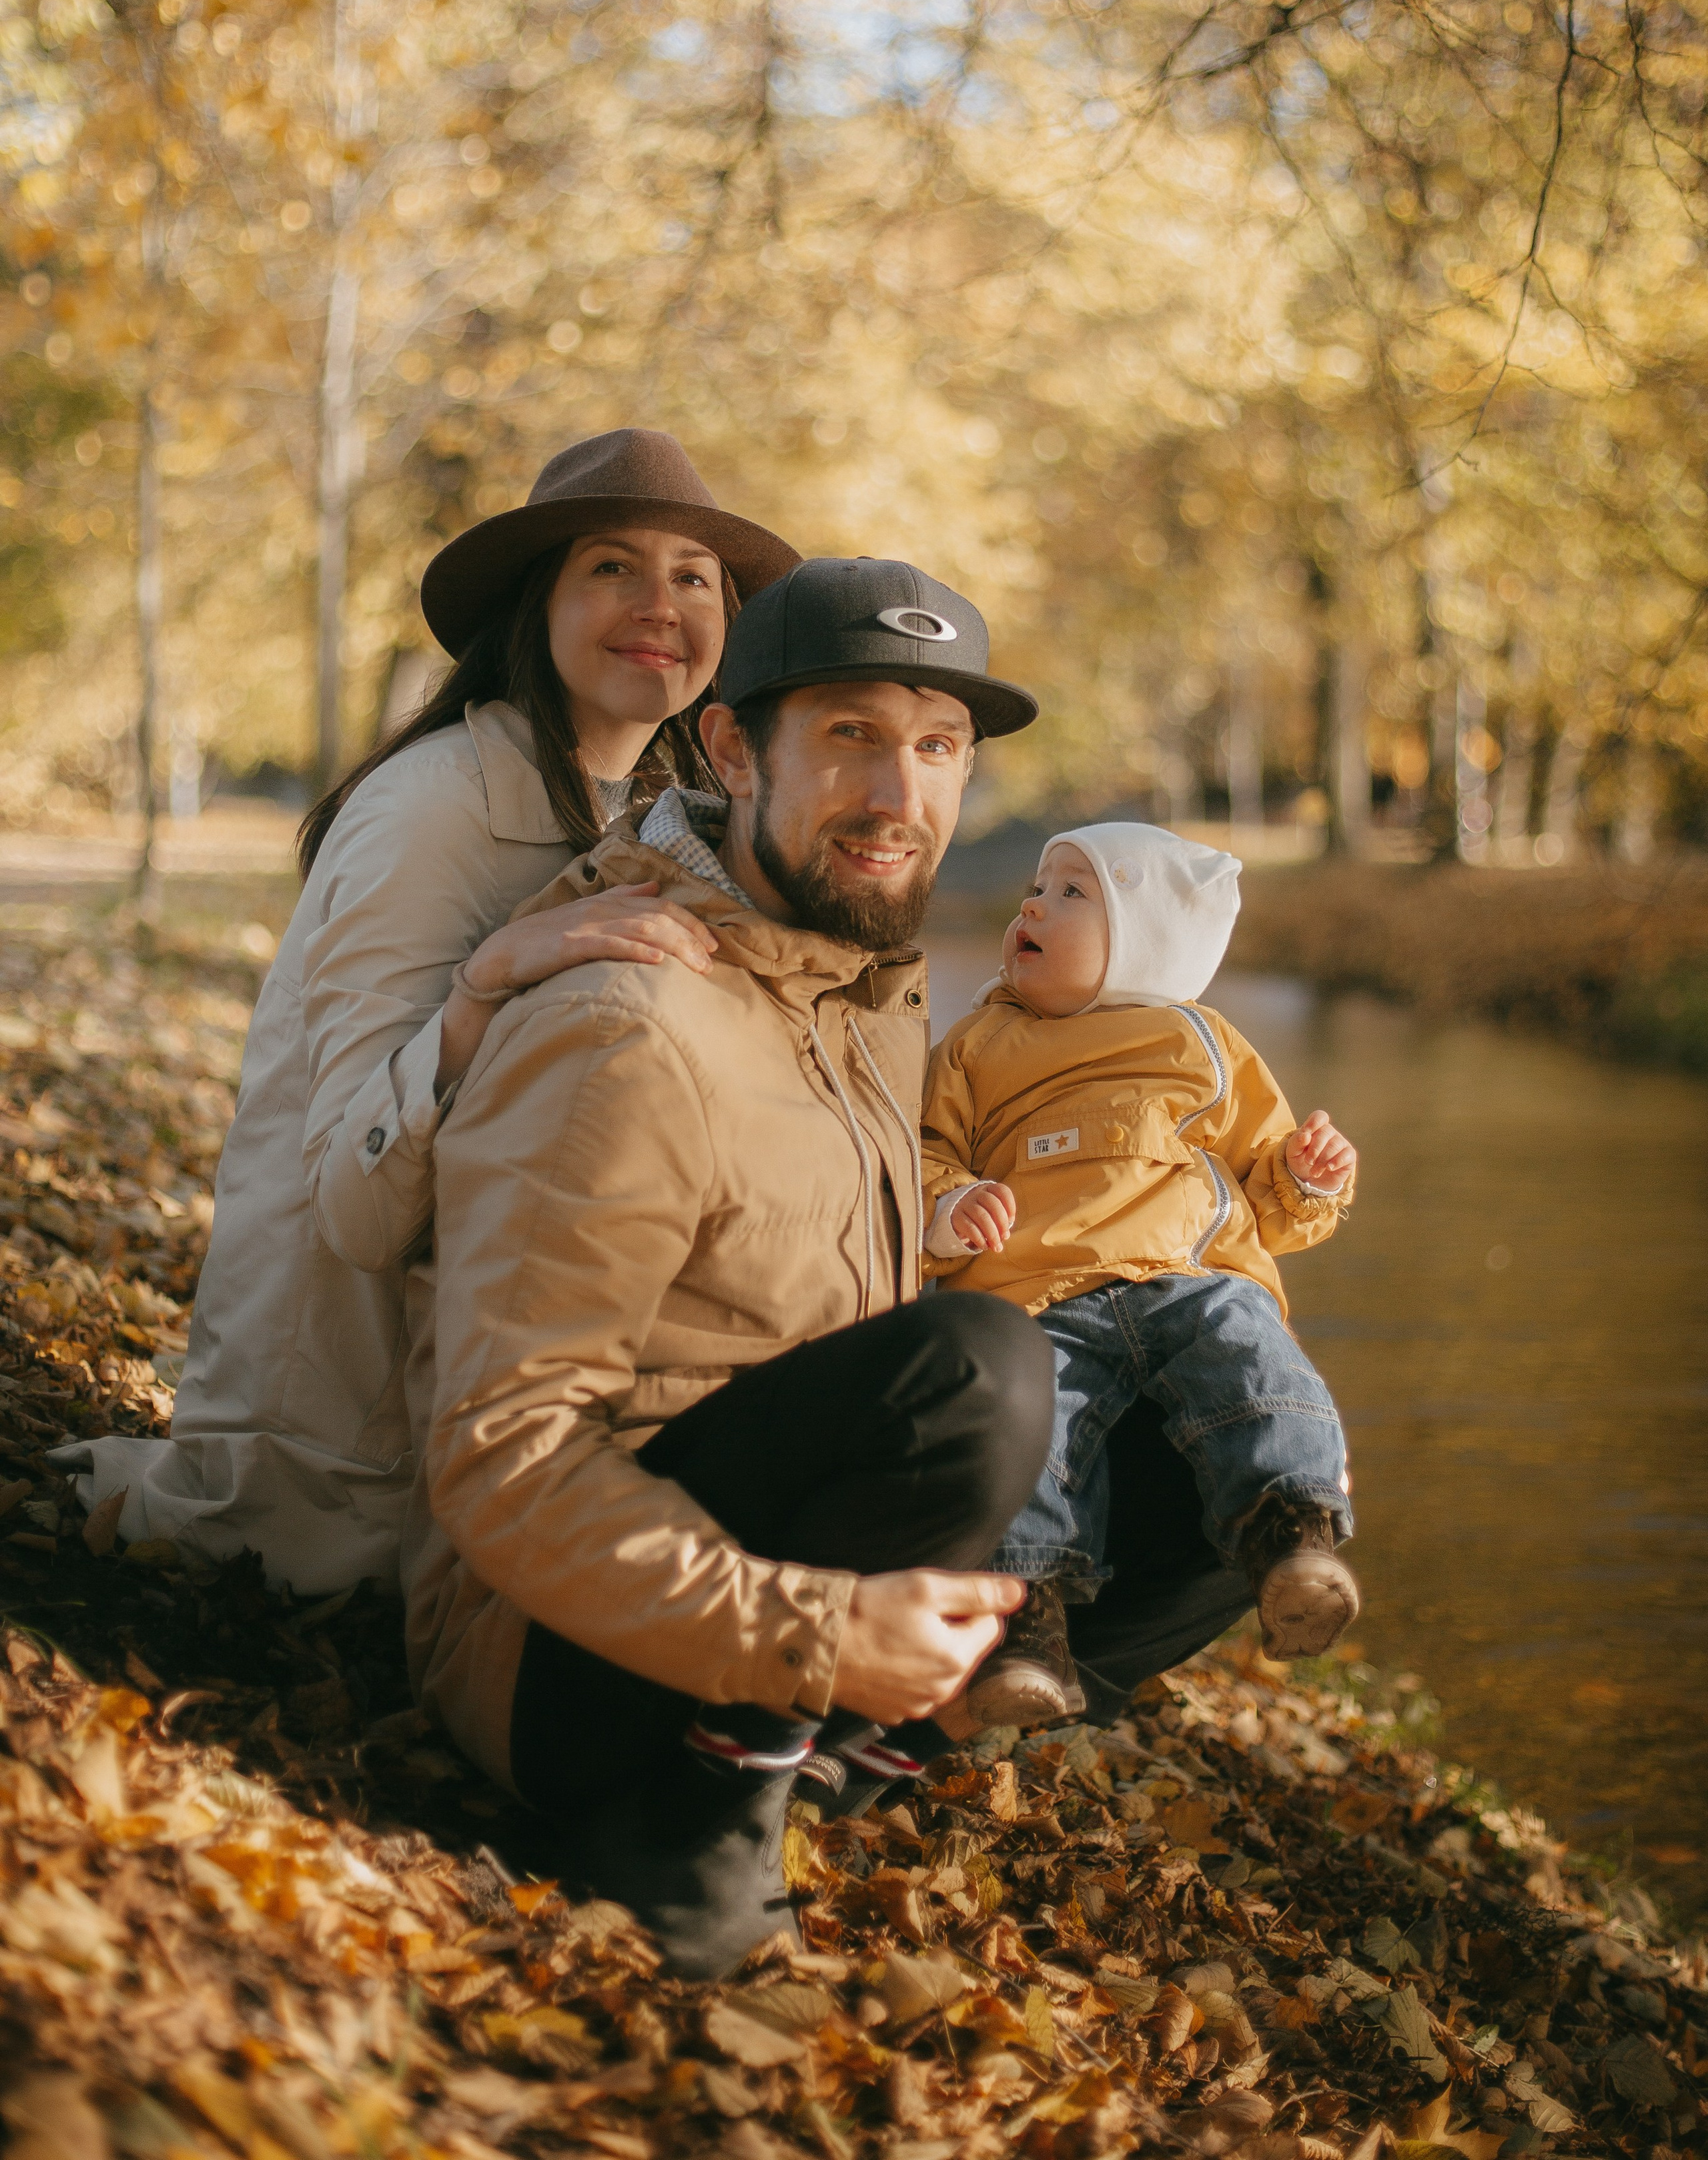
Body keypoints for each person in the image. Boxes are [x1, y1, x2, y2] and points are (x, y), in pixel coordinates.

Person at [406, 556, 1055, 1976]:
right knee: (979, 1372)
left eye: (936, 748)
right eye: (848, 736)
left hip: (722, 1607)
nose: (900, 796)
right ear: (725, 743)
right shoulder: (630, 1026)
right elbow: (499, 1459)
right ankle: (688, 1828)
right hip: (549, 1660)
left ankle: (823, 1765)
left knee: (1188, 1417)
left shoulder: (859, 986)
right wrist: (817, 1634)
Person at [56, 430, 799, 1587]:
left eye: (694, 577)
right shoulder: (430, 810)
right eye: (612, 567)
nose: (660, 603)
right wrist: (487, 982)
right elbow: (352, 1206)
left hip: (519, 1383)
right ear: (535, 604)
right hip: (348, 1456)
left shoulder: (667, 818)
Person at [919, 820, 1360, 1731]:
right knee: (1033, 1432)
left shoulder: (1203, 1043)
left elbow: (1269, 1198)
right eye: (1036, 888)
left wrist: (1307, 1176)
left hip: (1189, 1275)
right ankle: (1026, 1631)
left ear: (1145, 940)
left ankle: (1291, 1533)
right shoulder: (976, 1044)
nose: (1032, 904)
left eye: (1073, 893)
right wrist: (949, 1205)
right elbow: (926, 1150)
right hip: (1036, 1292)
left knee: (1259, 1365)